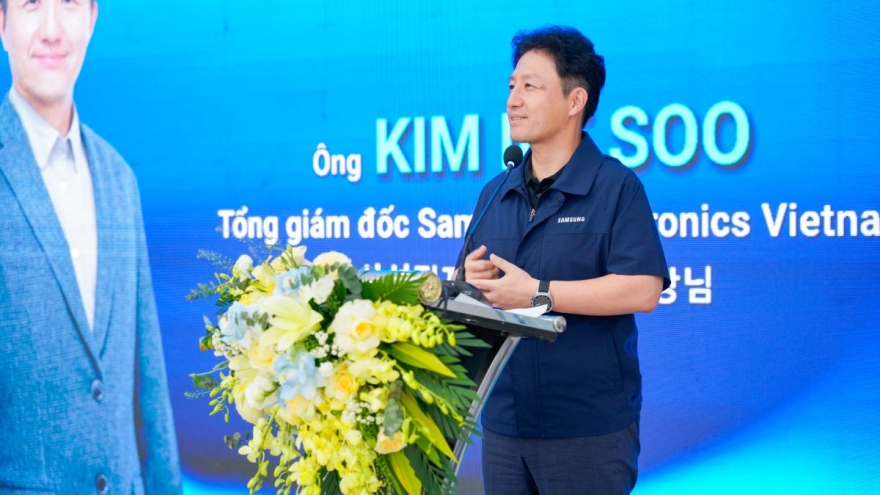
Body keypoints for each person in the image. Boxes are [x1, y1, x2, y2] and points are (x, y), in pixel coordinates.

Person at [460, 26, 669, 495]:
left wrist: (538, 293)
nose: (513, 100)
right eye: (511, 86)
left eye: (530, 86)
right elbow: (468, 290)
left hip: (587, 428)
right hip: (505, 422)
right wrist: (470, 281)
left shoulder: (616, 187)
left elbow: (643, 288)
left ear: (575, 100)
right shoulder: (495, 191)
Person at [0, 0, 181, 493]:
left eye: (70, 4)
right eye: (31, 4)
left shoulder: (119, 178)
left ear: (92, 18)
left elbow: (148, 380)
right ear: (3, 24)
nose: (52, 29)